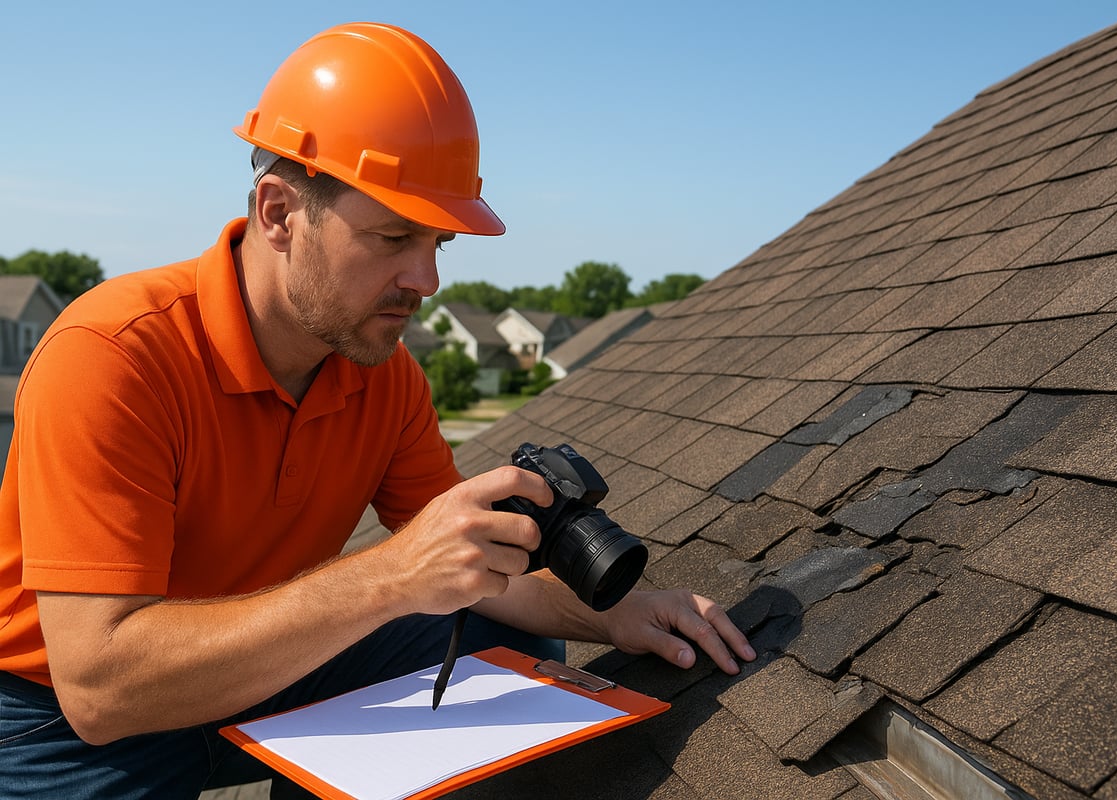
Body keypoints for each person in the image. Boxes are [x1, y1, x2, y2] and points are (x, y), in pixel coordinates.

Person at [0, 22, 755, 799]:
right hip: (60, 720)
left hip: (265, 671)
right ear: (279, 213)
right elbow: (101, 688)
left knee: (497, 636)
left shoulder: (384, 376)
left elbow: (473, 572)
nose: (424, 279)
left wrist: (616, 615)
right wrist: (390, 577)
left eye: (437, 243)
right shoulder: (116, 356)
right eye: (393, 237)